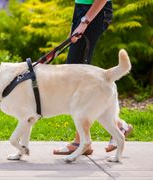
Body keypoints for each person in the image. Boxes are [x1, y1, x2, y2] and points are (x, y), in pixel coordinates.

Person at [53, 0, 133, 155]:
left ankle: (81, 142)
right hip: (82, 9)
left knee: (78, 77)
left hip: (94, 11)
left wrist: (85, 21)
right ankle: (118, 126)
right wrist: (79, 19)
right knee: (73, 73)